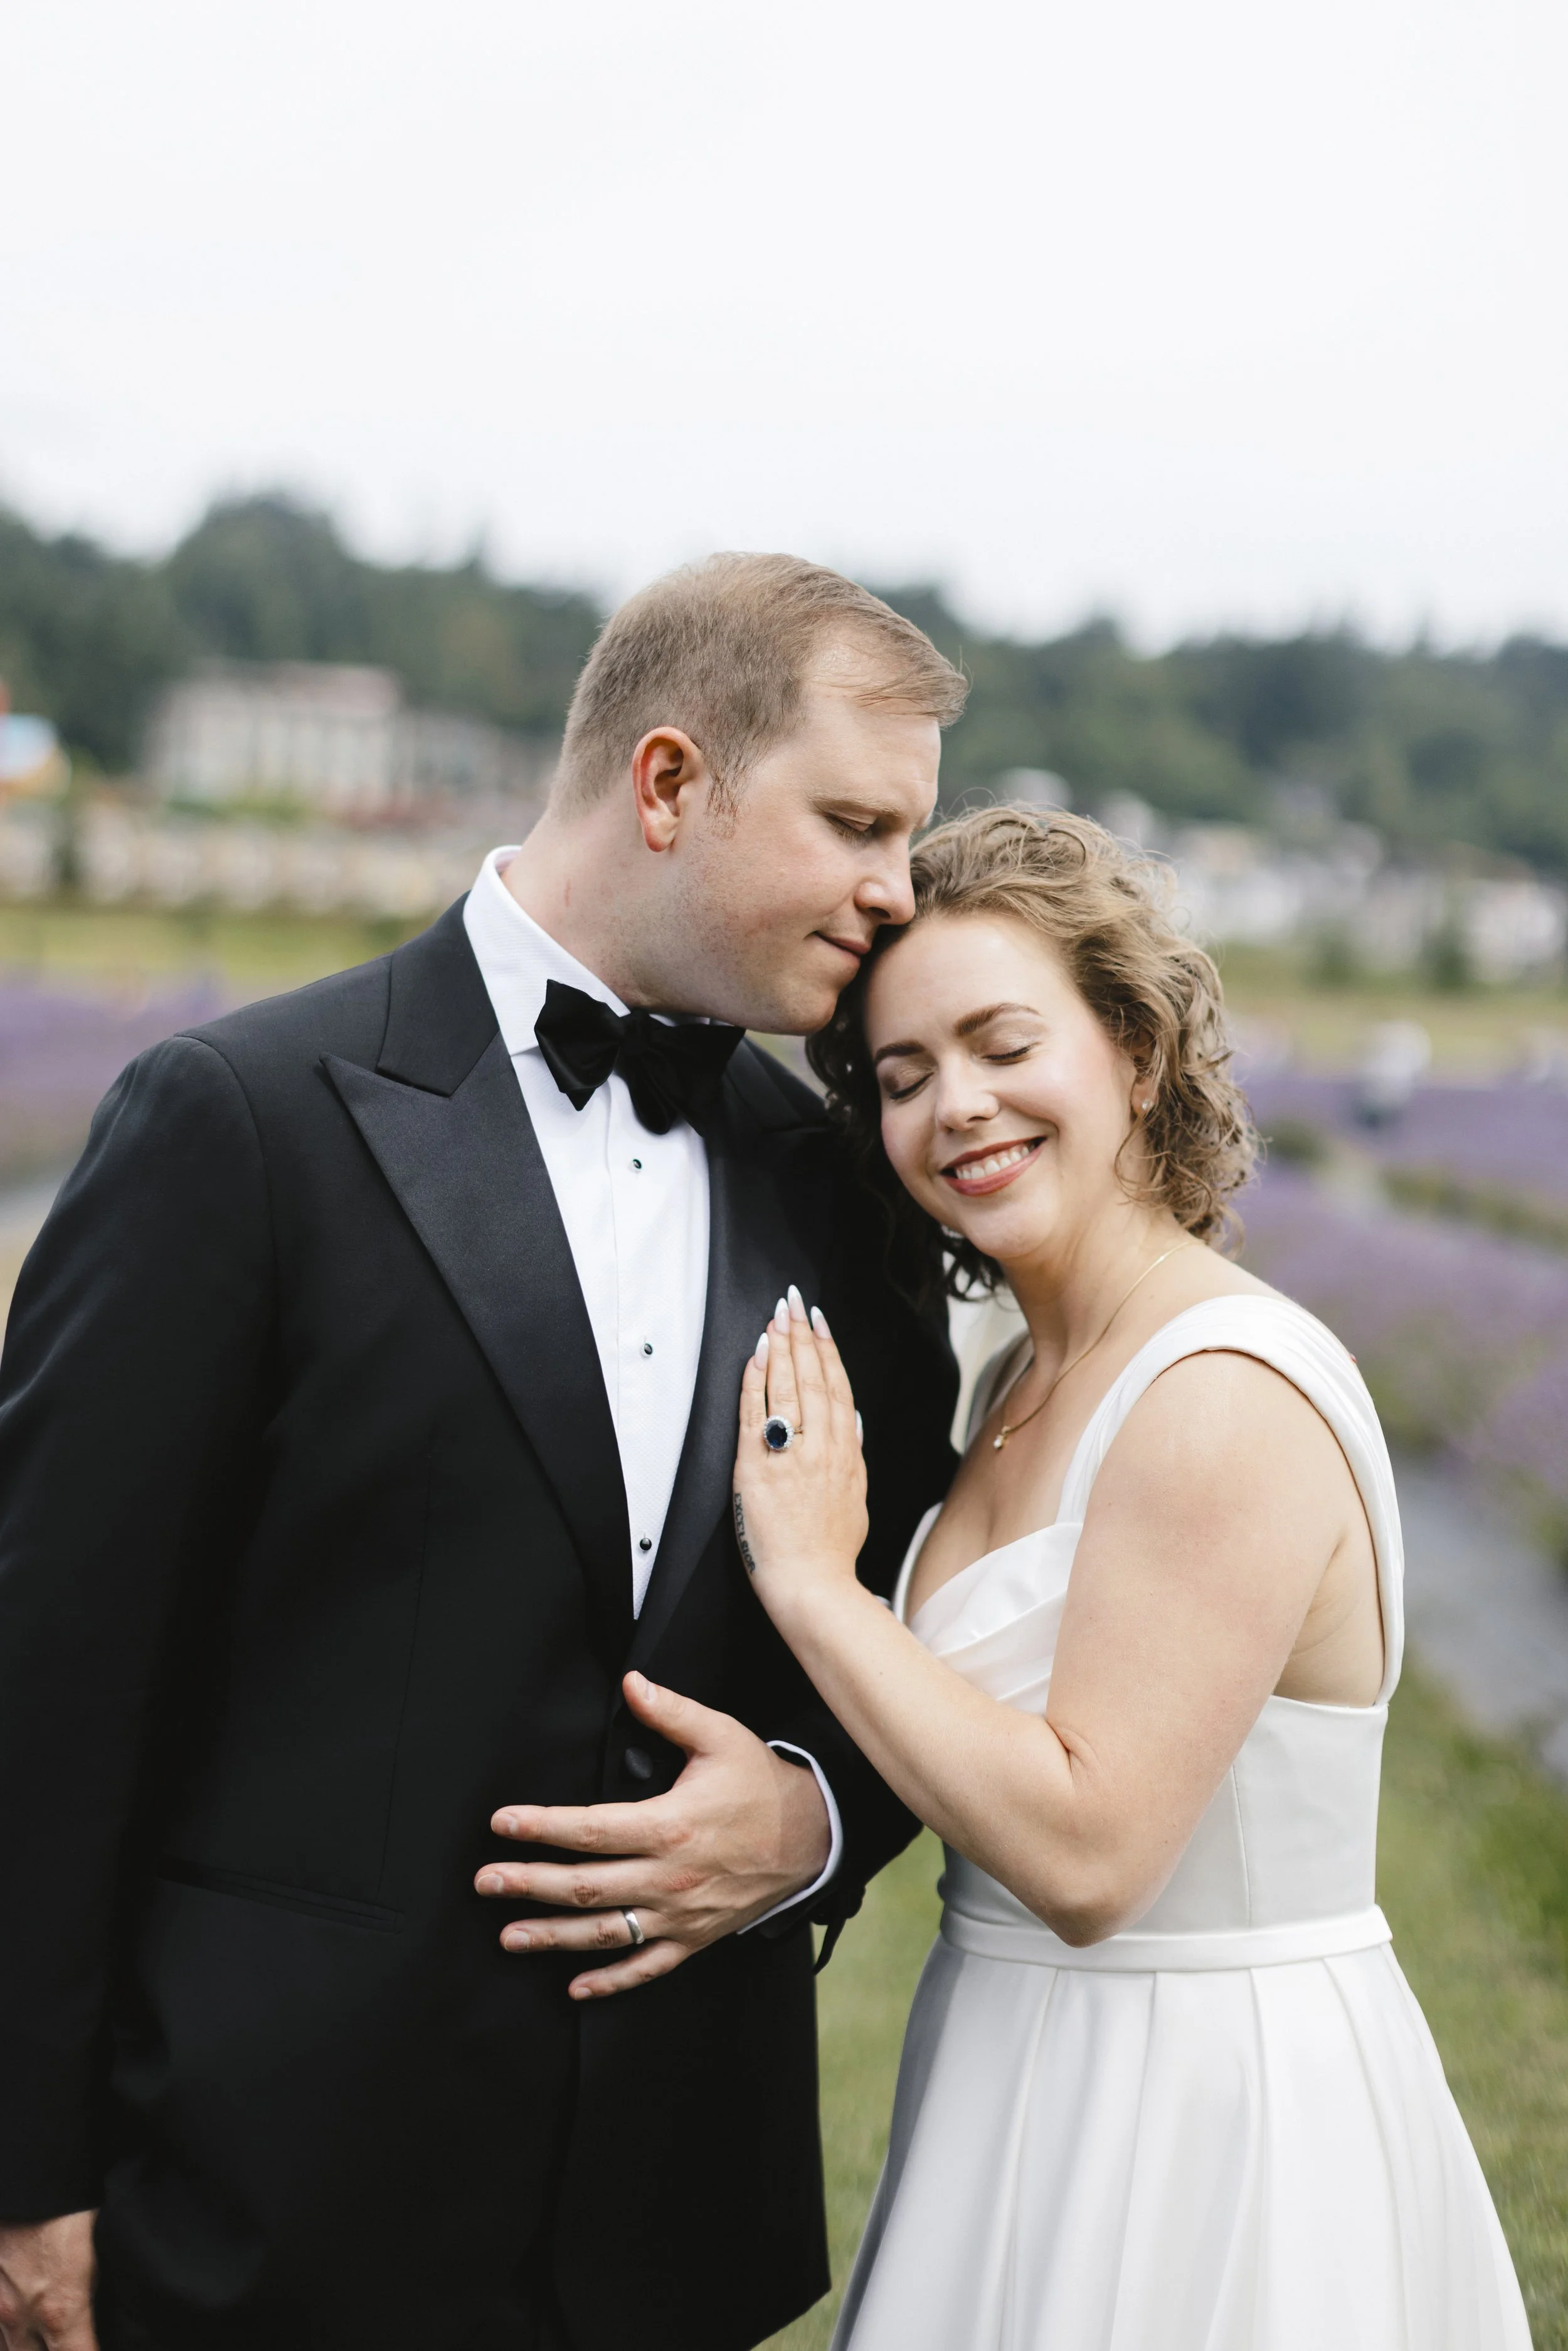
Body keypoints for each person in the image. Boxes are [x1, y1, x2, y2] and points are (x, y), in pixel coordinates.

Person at [0, 556, 966, 2351]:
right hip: (259, 2206)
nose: (893, 894)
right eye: (853, 821)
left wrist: (817, 1813)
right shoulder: (235, 1125)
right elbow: (44, 1694)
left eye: (904, 838)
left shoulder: (846, 1183)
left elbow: (932, 1601)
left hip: (670, 2231)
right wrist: (21, 2172)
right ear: (669, 782)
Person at [730, 806, 1532, 2350]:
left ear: (1135, 1051)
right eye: (901, 1076)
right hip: (1001, 2060)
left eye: (998, 1041)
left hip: (1200, 2105)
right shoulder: (1013, 1381)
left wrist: (817, 1588)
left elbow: (1093, 1856)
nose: (953, 1104)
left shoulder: (1218, 1388)